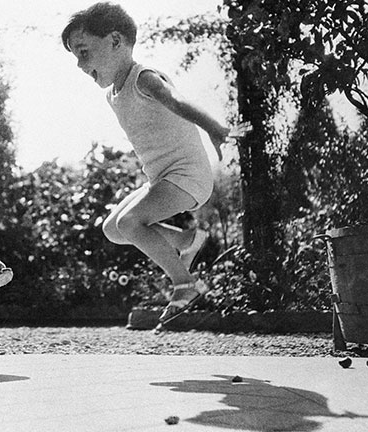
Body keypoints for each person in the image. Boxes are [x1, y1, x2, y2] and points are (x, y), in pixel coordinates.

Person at [61, 2, 250, 328]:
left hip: (187, 176)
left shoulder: (143, 78)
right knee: (113, 228)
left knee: (132, 223)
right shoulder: (113, 94)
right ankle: (187, 240)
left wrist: (214, 128)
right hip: (161, 178)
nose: (79, 64)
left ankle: (185, 284)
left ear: (115, 41)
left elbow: (176, 101)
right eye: (76, 57)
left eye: (83, 52)